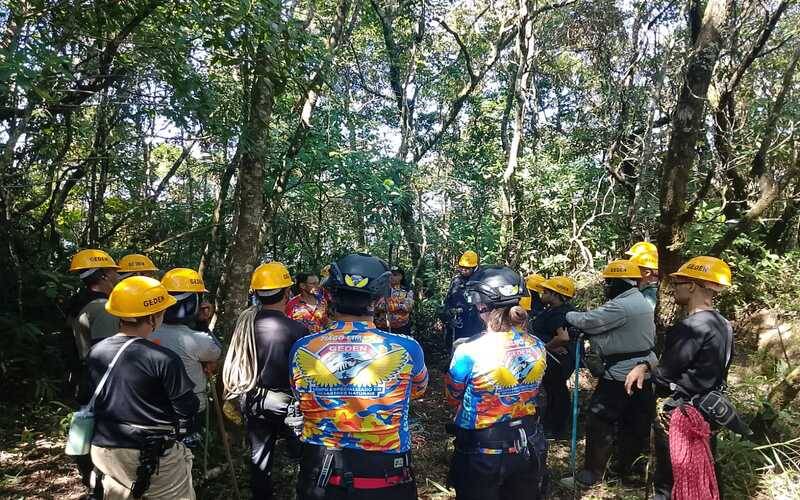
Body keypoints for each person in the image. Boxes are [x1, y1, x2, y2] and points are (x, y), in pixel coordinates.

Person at [290, 253, 428, 500]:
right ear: (378, 300)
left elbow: (299, 393)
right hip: (386, 475)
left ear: (330, 295)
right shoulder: (406, 348)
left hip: (320, 474)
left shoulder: (302, 348)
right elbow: (418, 390)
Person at [624, 256, 734, 500]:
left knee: (669, 480)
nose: (673, 289)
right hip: (708, 413)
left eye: (678, 283)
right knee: (705, 473)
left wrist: (646, 369)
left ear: (692, 285)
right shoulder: (723, 324)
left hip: (682, 415)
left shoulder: (691, 327)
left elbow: (665, 376)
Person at [89, 276, 199, 499]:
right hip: (151, 455)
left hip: (104, 449)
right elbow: (186, 407)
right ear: (152, 317)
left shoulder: (97, 351)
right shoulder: (163, 359)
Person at [446, 265, 548, 500]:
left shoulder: (468, 350)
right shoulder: (537, 345)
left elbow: (453, 395)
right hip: (526, 441)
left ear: (482, 307)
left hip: (480, 447)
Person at [559, 259, 658, 488]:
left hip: (621, 376)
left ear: (618, 283)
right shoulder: (639, 301)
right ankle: (627, 473)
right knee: (633, 424)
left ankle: (591, 475)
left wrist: (567, 314)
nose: (606, 287)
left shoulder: (622, 305)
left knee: (599, 420)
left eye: (609, 283)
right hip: (641, 371)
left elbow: (589, 321)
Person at [223, 261, 309, 499]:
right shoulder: (297, 331)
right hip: (288, 404)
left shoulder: (245, 325)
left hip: (253, 398)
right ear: (287, 292)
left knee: (259, 458)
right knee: (302, 454)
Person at [64, 249, 122, 489]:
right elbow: (111, 353)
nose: (118, 279)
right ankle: (100, 484)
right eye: (114, 274)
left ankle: (91, 479)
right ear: (104, 276)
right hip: (101, 381)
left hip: (83, 376)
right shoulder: (103, 309)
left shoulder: (78, 303)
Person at [150, 268, 222, 446]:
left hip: (152, 405)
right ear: (192, 303)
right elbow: (217, 351)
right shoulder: (197, 340)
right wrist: (202, 323)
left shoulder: (148, 330)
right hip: (190, 408)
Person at [530, 276, 577, 439]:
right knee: (553, 391)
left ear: (555, 294)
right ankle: (554, 425)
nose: (541, 293)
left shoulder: (560, 313)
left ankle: (557, 428)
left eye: (545, 291)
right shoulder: (552, 310)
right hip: (554, 359)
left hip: (558, 361)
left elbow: (563, 337)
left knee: (557, 392)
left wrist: (544, 348)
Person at [440, 250, 484, 348]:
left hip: (475, 322)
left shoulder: (481, 281)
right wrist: (449, 317)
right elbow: (448, 301)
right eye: (462, 267)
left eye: (467, 268)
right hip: (459, 321)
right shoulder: (456, 281)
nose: (463, 270)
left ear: (474, 267)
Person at [374, 266, 414, 335]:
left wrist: (390, 305)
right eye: (390, 275)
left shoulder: (407, 291)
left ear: (401, 277)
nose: (392, 277)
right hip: (382, 327)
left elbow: (408, 307)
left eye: (395, 275)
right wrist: (400, 305)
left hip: (401, 328)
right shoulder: (381, 290)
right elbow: (376, 306)